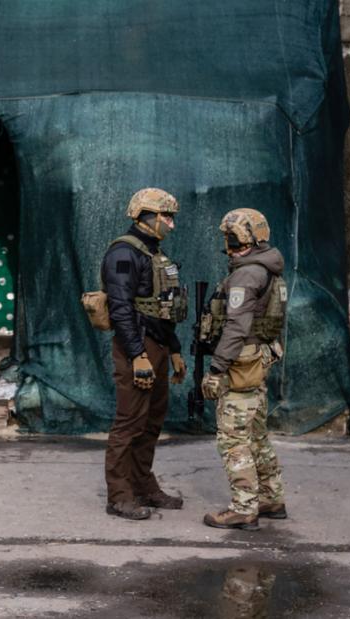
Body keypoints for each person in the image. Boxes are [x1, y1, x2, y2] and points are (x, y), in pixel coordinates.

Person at [100, 188, 188, 520]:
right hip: (136, 345)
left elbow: (163, 310)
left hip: (159, 344)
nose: (171, 225)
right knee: (130, 422)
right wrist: (137, 355)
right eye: (167, 217)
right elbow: (121, 309)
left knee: (152, 421)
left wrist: (175, 350)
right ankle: (119, 495)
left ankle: (143, 484)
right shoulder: (123, 253)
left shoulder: (154, 254)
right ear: (146, 217)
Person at [200, 208, 287, 531]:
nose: (227, 242)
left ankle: (244, 508)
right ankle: (271, 497)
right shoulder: (268, 267)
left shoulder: (247, 274)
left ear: (244, 238)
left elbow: (236, 327)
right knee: (257, 434)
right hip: (258, 359)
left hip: (240, 363)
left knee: (233, 438)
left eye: (231, 236)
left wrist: (216, 369)